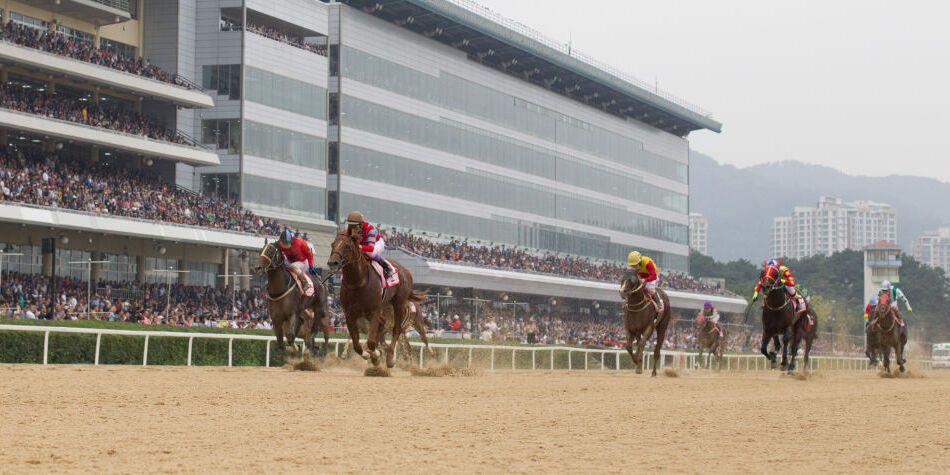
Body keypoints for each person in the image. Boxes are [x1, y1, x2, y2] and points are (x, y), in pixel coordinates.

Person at [345, 211, 393, 279]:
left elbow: (370, 248)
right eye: (351, 226)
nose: (352, 228)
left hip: (377, 243)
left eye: (354, 226)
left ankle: (386, 266)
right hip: (363, 243)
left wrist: (358, 246)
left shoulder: (370, 229)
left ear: (361, 224)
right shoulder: (350, 229)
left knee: (370, 253)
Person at [621, 250, 664, 316]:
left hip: (652, 275)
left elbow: (654, 276)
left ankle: (658, 302)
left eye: (635, 265)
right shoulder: (634, 267)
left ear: (640, 262)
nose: (634, 268)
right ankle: (626, 301)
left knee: (650, 288)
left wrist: (644, 280)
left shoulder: (648, 263)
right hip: (642, 275)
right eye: (632, 266)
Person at [276, 228, 316, 294]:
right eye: (284, 243)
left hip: (302, 262)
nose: (285, 245)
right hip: (290, 261)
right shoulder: (281, 244)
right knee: (279, 263)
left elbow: (309, 255)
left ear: (291, 240)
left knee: (293, 266)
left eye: (287, 243)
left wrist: (311, 266)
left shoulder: (300, 242)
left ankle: (305, 283)